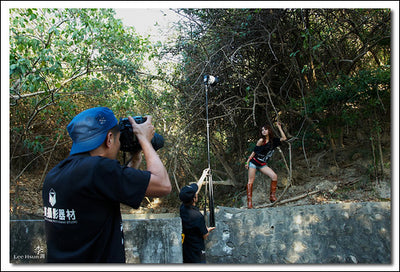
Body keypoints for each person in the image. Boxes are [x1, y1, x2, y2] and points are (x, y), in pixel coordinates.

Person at [42, 107, 171, 263]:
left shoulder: (55, 174)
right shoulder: (98, 169)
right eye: (118, 140)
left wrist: (135, 159)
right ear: (109, 139)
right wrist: (143, 139)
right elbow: (163, 185)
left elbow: (111, 190)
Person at [245, 121, 287, 208]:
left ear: (269, 130)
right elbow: (254, 151)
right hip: (254, 163)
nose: (263, 131)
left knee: (274, 176)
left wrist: (279, 127)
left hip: (262, 164)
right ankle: (249, 203)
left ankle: (272, 196)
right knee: (250, 181)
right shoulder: (261, 141)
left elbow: (284, 138)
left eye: (265, 129)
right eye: (262, 130)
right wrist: (247, 161)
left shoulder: (273, 141)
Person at [179, 170, 216, 263]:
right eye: (195, 194)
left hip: (186, 249)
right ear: (194, 198)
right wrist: (207, 229)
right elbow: (205, 235)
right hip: (197, 251)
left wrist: (203, 175)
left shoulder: (182, 208)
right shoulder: (198, 216)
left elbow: (196, 189)